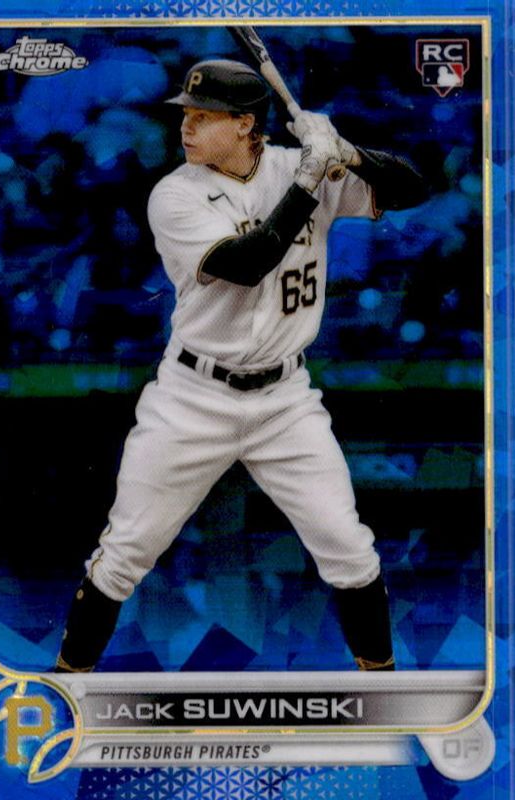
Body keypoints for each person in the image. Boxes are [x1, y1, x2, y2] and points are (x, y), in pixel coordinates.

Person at [55, 59, 428, 674]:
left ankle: (384, 687)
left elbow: (414, 188)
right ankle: (65, 686)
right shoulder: (175, 193)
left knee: (348, 548)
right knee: (124, 554)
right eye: (186, 115)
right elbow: (247, 263)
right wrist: (310, 180)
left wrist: (349, 154)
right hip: (193, 397)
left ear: (245, 125)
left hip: (286, 400)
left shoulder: (297, 165)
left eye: (204, 117)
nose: (186, 127)